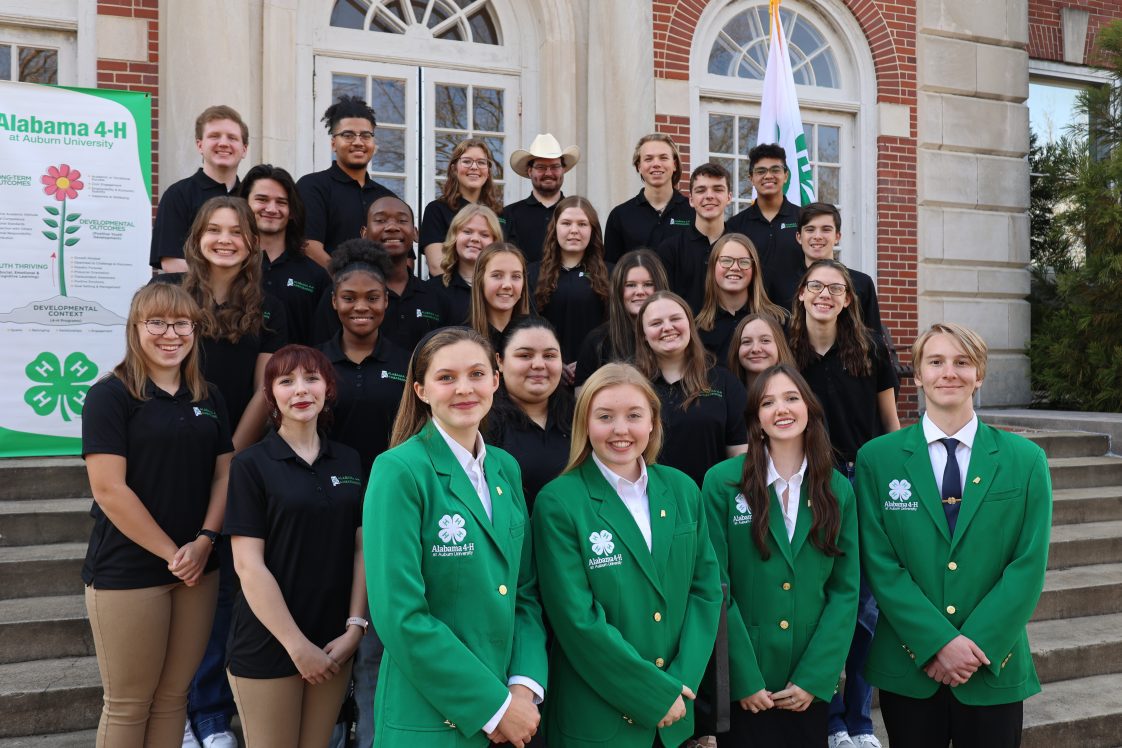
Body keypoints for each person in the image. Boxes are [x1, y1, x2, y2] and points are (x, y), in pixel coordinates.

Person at [856, 323, 1052, 748]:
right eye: (936, 362)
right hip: (910, 667)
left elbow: (1028, 564)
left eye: (962, 362)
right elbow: (881, 563)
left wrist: (973, 644)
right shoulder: (878, 459)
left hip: (990, 663)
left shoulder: (1026, 460)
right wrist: (937, 642)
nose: (949, 372)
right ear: (918, 373)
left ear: (979, 375)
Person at [363, 327, 548, 748]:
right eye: (446, 378)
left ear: (495, 381)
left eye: (477, 374)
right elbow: (401, 616)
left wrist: (522, 687)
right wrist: (495, 707)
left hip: (512, 716)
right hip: (432, 720)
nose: (464, 388)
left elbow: (524, 593)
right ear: (421, 390)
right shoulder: (399, 470)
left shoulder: (505, 467)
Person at [155, 195, 288, 748]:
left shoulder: (269, 301)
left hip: (237, 457)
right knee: (176, 584)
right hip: (174, 453)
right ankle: (177, 712)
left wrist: (230, 452)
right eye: (215, 229)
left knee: (223, 591)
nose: (226, 239)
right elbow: (158, 369)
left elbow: (265, 387)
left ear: (252, 240)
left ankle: (209, 715)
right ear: (197, 237)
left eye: (237, 230)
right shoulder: (171, 296)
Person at [533, 362, 723, 747]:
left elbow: (706, 591)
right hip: (598, 720)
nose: (621, 430)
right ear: (585, 424)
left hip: (676, 715)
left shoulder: (683, 489)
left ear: (653, 422)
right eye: (605, 417)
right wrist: (653, 694)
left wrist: (680, 682)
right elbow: (577, 621)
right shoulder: (558, 501)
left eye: (634, 415)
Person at [81, 283, 232, 747]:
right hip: (129, 570)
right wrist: (174, 553)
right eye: (158, 323)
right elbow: (109, 489)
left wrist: (205, 540)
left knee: (173, 698)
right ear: (136, 328)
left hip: (197, 570)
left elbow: (224, 476)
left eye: (182, 323)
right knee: (129, 705)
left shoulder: (209, 397)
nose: (171, 334)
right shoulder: (111, 395)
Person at [702, 364, 859, 746]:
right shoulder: (722, 482)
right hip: (747, 682)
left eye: (791, 398)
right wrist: (742, 677)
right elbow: (715, 585)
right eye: (768, 402)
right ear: (756, 420)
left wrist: (815, 677)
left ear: (809, 409)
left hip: (806, 682)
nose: (781, 409)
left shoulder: (838, 489)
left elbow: (844, 591)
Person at [224, 345, 366, 748]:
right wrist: (296, 647)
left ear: (328, 388)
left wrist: (355, 628)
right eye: (286, 381)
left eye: (311, 379)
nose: (300, 390)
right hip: (270, 642)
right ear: (270, 395)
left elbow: (361, 548)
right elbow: (248, 565)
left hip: (333, 640)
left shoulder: (351, 460)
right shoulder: (251, 465)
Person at [789, 259, 899, 748]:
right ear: (801, 294)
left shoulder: (871, 348)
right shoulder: (786, 352)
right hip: (812, 481)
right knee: (822, 602)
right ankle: (829, 717)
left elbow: (890, 423)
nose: (826, 295)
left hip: (864, 479)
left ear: (849, 299)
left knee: (866, 608)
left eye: (837, 288)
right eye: (817, 286)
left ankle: (859, 719)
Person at [634, 291, 748, 487]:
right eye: (656, 323)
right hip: (648, 506)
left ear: (689, 324)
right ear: (643, 335)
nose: (667, 327)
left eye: (675, 319)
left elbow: (740, 457)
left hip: (711, 504)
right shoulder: (633, 386)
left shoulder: (723, 381)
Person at [318, 239, 409, 479]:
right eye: (349, 298)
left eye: (372, 298)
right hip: (328, 492)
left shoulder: (408, 364)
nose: (360, 307)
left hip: (393, 488)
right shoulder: (314, 363)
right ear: (334, 301)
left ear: (386, 300)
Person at [309, 195, 443, 349]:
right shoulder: (342, 295)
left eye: (402, 220)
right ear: (364, 233)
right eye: (380, 220)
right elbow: (321, 358)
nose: (392, 227)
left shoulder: (435, 296)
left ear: (415, 233)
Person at [297, 96, 395, 269]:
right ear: (333, 143)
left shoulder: (387, 198)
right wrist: (347, 282)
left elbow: (403, 257)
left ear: (374, 143)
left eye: (366, 135)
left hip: (380, 293)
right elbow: (309, 246)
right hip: (326, 291)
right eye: (348, 135)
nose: (358, 142)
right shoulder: (312, 187)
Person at [487, 316, 573, 509]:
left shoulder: (581, 416)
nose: (539, 365)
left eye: (549, 355)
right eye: (525, 355)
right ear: (499, 361)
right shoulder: (482, 423)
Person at [151, 105, 248, 272]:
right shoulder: (178, 195)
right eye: (214, 136)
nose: (223, 143)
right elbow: (172, 263)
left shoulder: (251, 196)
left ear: (244, 149)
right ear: (199, 145)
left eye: (232, 138)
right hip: (192, 296)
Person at [242, 164, 330, 346]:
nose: (272, 209)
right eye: (262, 200)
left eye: (281, 202)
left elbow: (322, 341)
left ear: (292, 211)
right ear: (244, 205)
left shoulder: (316, 276)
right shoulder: (229, 268)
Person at [528, 195, 612, 383]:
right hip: (544, 374)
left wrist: (587, 361)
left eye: (582, 224)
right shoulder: (532, 274)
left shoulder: (611, 274)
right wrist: (556, 362)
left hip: (597, 375)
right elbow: (527, 325)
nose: (574, 230)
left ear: (593, 230)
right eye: (566, 223)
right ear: (554, 228)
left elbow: (613, 328)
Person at [767, 202, 884, 336]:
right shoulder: (779, 283)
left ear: (837, 237)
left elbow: (875, 340)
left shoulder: (862, 283)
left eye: (826, 229)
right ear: (799, 237)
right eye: (810, 229)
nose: (817, 236)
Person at [573, 249, 669, 388]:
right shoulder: (597, 342)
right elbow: (582, 403)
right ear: (618, 289)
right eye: (630, 285)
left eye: (648, 284)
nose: (640, 292)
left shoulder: (674, 335)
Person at [695, 233, 787, 364]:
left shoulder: (779, 320)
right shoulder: (698, 330)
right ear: (712, 267)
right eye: (726, 261)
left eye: (744, 262)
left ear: (754, 269)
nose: (735, 268)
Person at [603, 133, 694, 263]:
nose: (656, 164)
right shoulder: (620, 216)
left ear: (674, 165)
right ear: (639, 166)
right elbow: (611, 270)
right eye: (648, 159)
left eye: (663, 158)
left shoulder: (693, 213)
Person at [656, 162, 733, 313]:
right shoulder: (670, 250)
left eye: (718, 189)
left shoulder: (742, 248)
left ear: (729, 197)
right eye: (701, 190)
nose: (709, 196)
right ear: (691, 199)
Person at [421, 138, 506, 275]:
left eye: (481, 162)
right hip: (449, 293)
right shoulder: (437, 210)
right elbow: (437, 267)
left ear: (488, 171)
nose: (474, 167)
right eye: (467, 161)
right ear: (454, 169)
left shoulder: (501, 214)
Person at [726, 143, 802, 289]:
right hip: (752, 309)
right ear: (751, 178)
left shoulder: (803, 219)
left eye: (775, 170)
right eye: (761, 171)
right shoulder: (735, 226)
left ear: (785, 176)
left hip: (798, 309)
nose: (768, 176)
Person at [504, 133, 580, 263]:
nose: (548, 173)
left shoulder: (579, 214)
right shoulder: (508, 214)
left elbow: (592, 265)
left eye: (555, 167)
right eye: (541, 167)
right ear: (529, 171)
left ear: (563, 170)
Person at [428, 203, 504, 327]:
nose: (475, 239)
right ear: (454, 237)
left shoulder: (505, 288)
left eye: (484, 235)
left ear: (495, 242)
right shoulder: (432, 290)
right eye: (467, 232)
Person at [470, 242, 532, 353]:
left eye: (516, 276)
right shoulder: (463, 340)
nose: (507, 285)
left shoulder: (536, 337)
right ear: (480, 281)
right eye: (497, 275)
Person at [727, 313, 795, 393]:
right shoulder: (725, 397)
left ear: (779, 346)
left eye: (765, 340)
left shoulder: (799, 394)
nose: (755, 349)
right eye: (747, 342)